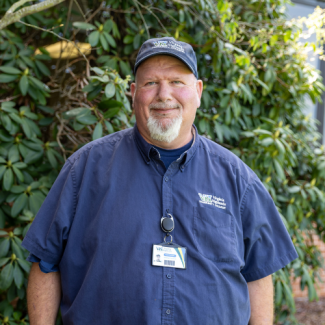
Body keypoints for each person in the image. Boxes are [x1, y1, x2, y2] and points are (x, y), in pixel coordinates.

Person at [22, 37, 298, 325]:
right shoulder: (85, 169)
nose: (164, 95)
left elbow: (257, 274)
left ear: (198, 91)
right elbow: (45, 263)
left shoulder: (238, 179)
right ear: (133, 93)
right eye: (151, 83)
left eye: (177, 82)